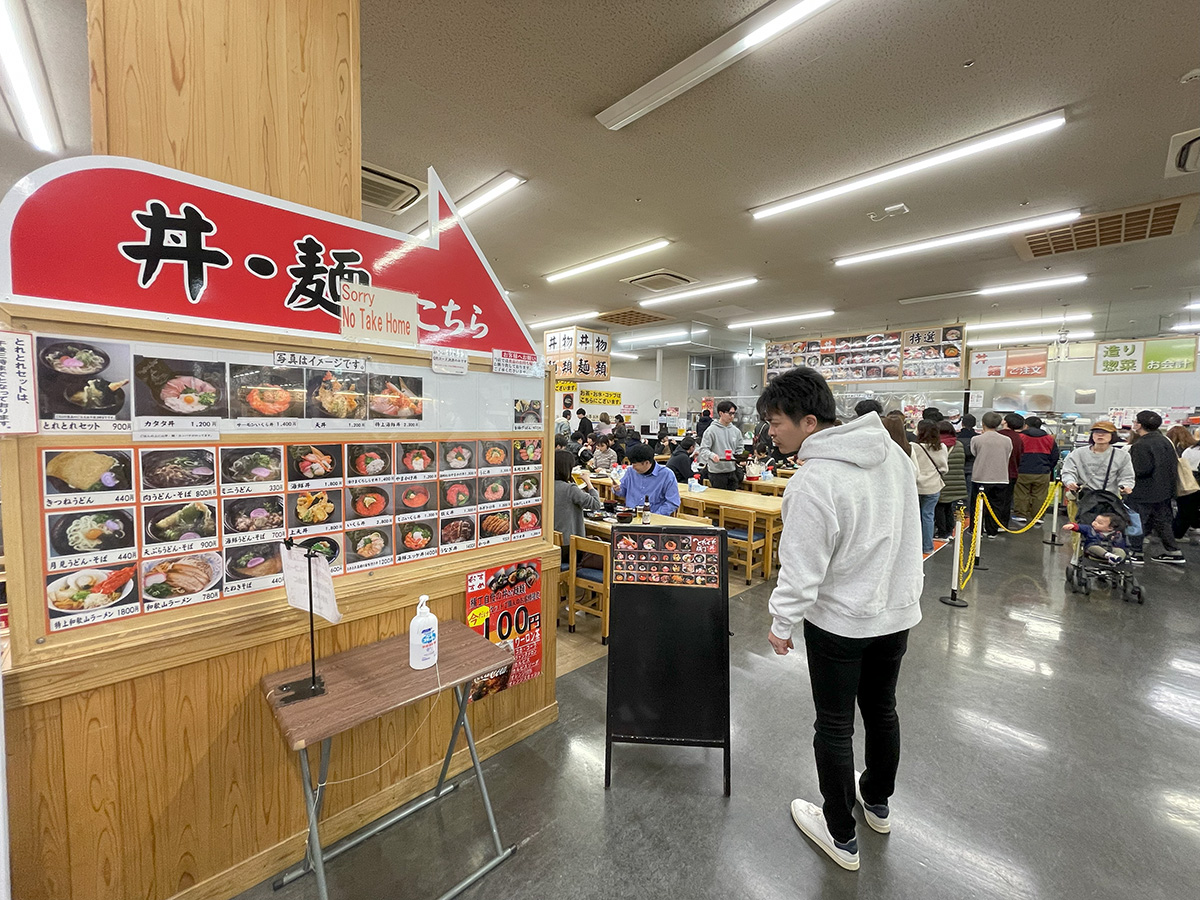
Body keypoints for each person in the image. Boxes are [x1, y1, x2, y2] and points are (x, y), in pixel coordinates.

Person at [759, 371, 922, 873]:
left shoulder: (815, 480)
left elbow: (802, 568)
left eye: (777, 422)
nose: (771, 432)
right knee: (881, 710)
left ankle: (840, 835)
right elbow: (907, 528)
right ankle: (876, 803)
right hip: (895, 614)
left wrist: (781, 624)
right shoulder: (893, 453)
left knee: (833, 725)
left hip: (840, 623)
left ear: (810, 422)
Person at [1127, 410, 1183, 564]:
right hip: (1165, 490)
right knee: (1163, 521)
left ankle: (1135, 552)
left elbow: (1141, 469)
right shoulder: (1165, 441)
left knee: (1136, 520)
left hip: (1144, 491)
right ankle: (1174, 551)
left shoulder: (1140, 445)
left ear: (1139, 425)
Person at [553, 449, 601, 567]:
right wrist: (589, 482)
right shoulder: (570, 489)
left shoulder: (545, 485)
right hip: (569, 549)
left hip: (552, 545)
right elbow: (596, 504)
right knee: (601, 545)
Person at [971, 412, 1013, 539]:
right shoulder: (1007, 440)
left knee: (977, 506)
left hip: (980, 476)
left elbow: (974, 453)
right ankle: (992, 531)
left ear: (983, 423)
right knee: (996, 506)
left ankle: (976, 530)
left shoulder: (976, 439)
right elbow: (1008, 454)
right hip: (1001, 477)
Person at [911, 420, 948, 553]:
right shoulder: (941, 447)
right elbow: (944, 469)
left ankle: (914, 547)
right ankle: (927, 547)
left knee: (914, 517)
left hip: (916, 486)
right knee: (928, 516)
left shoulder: (913, 447)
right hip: (933, 486)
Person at [612, 443, 680, 514]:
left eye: (635, 465)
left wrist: (656, 515)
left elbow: (673, 502)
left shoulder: (666, 475)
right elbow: (622, 492)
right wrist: (617, 489)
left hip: (653, 517)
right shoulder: (630, 471)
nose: (632, 467)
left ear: (646, 463)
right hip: (630, 514)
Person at [1014, 416, 1056, 525]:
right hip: (1042, 471)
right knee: (1040, 495)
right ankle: (1038, 517)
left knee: (1021, 494)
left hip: (1022, 470)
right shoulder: (1049, 438)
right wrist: (1048, 468)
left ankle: (1021, 515)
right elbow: (1055, 456)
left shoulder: (1021, 437)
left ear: (1026, 425)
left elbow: (1015, 453)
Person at [699, 400, 743, 490]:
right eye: (730, 413)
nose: (732, 416)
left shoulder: (736, 431)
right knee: (720, 499)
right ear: (721, 413)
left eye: (734, 413)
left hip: (732, 470)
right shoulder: (711, 430)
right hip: (716, 472)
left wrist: (741, 457)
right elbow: (703, 449)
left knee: (733, 499)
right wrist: (712, 455)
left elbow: (740, 448)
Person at [935, 421, 968, 540]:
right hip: (956, 482)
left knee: (939, 508)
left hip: (942, 481)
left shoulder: (936, 445)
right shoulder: (958, 444)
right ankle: (949, 530)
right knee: (948, 507)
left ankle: (942, 533)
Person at [1167, 425, 1200, 541]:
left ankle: (1178, 534)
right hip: (1194, 482)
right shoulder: (1189, 448)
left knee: (1185, 510)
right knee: (1188, 510)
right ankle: (1179, 533)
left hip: (1186, 481)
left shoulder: (1189, 450)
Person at [1062, 514, 1128, 564]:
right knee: (1093, 547)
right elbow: (1081, 527)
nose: (1094, 523)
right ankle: (1108, 555)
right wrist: (1073, 526)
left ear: (1110, 528)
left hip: (1110, 549)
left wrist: (1116, 540)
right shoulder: (1090, 529)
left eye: (1099, 523)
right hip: (1094, 550)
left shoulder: (1116, 534)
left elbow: (1120, 545)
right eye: (1095, 520)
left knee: (1121, 551)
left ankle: (1115, 560)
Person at [999, 414, 1026, 525]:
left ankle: (991, 525)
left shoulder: (999, 435)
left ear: (1006, 422)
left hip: (998, 473)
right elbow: (1020, 456)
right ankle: (1003, 523)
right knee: (1007, 501)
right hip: (1012, 472)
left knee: (994, 501)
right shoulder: (1018, 438)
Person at [957, 414, 978, 501]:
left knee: (958, 492)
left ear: (962, 423)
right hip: (973, 468)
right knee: (970, 492)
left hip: (958, 468)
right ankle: (968, 512)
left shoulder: (957, 437)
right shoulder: (977, 437)